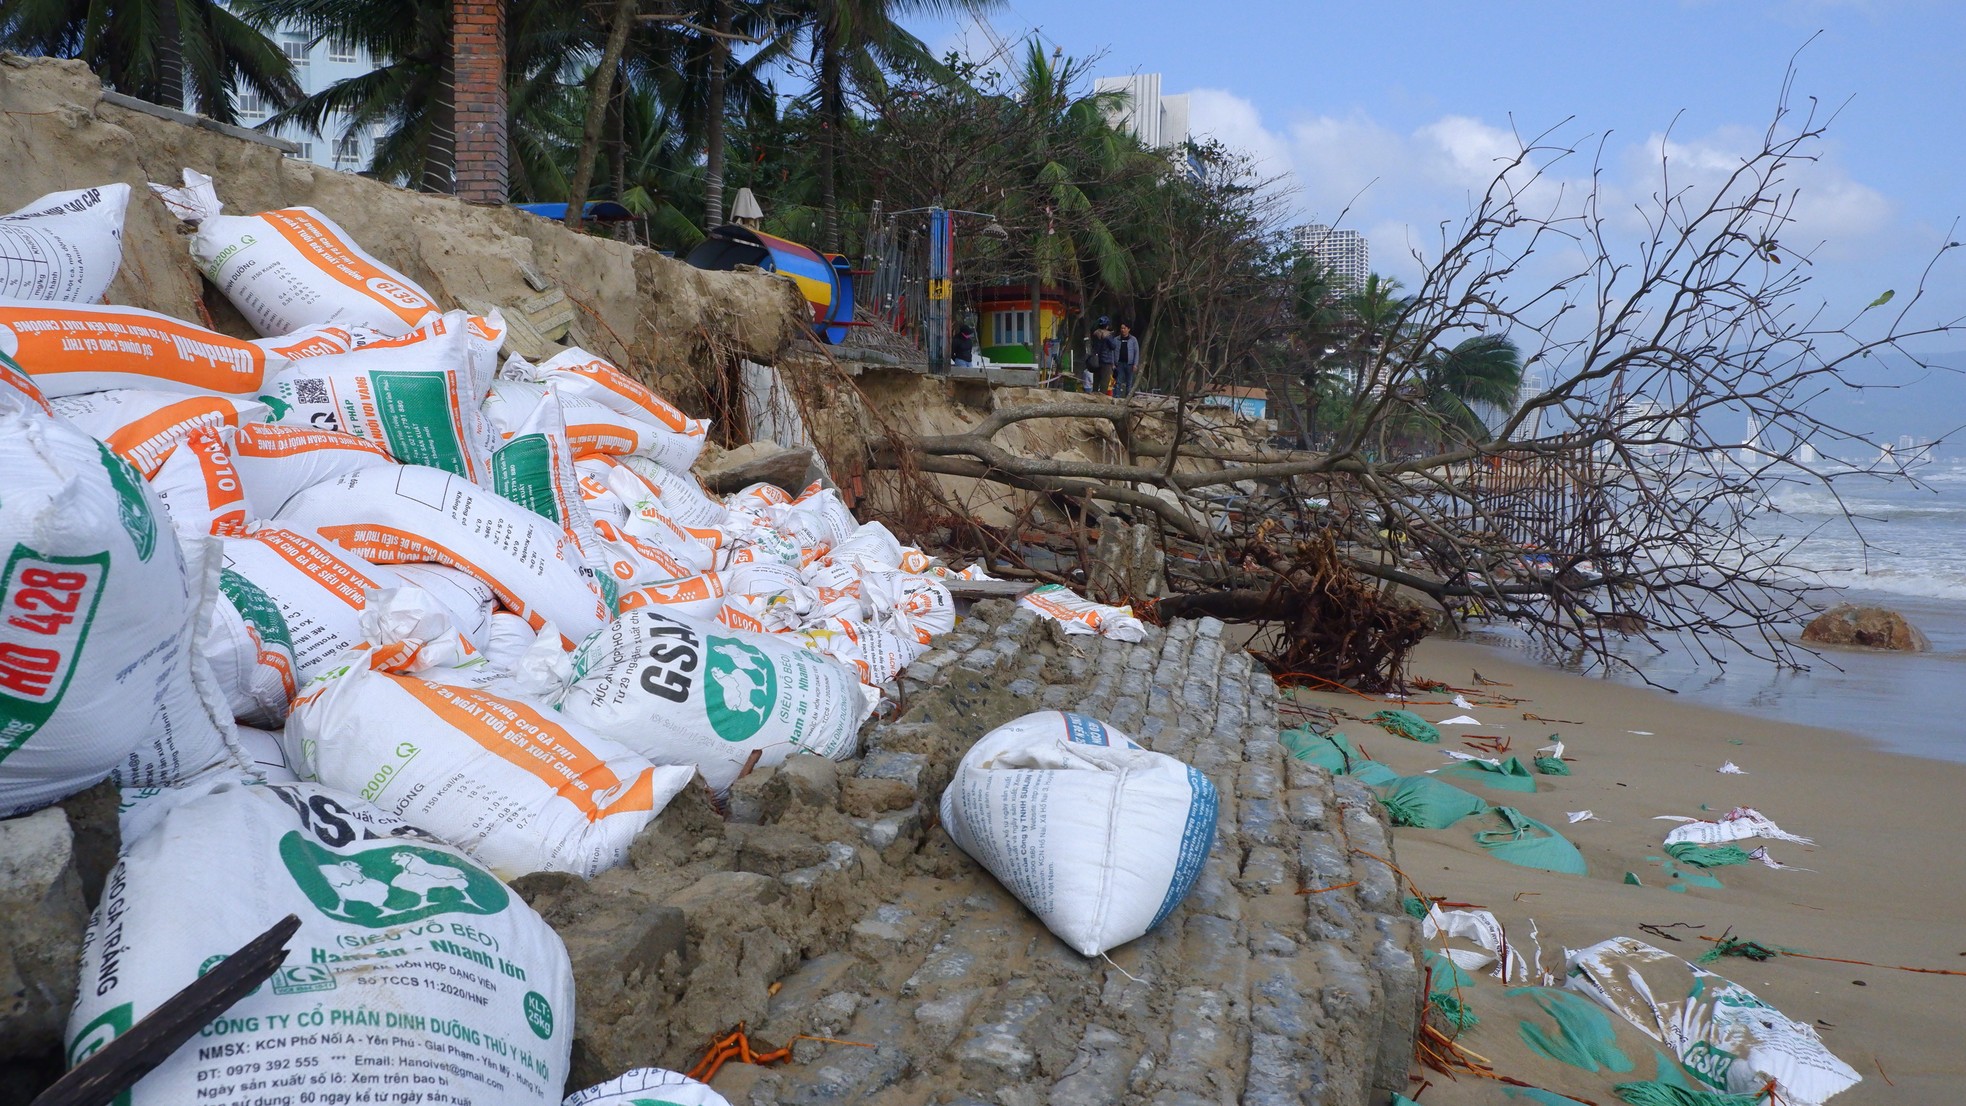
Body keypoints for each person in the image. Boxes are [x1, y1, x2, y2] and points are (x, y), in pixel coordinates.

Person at [1084, 316, 1116, 394]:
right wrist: (1109, 336)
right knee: (1104, 382)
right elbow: (1113, 346)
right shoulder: (1108, 335)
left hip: (1096, 360)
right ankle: (1101, 397)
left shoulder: (1095, 333)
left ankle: (1094, 394)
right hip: (1106, 361)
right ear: (1107, 326)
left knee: (1096, 380)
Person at [1113, 322, 1140, 397]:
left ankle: (1128, 398)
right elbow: (1112, 352)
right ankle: (1117, 397)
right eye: (1121, 328)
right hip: (1119, 363)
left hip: (1130, 364)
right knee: (1118, 381)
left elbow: (1136, 352)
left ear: (1128, 329)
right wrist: (1113, 364)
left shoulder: (1133, 340)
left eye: (1124, 328)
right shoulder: (1116, 339)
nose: (1123, 330)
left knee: (1129, 382)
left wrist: (1135, 364)